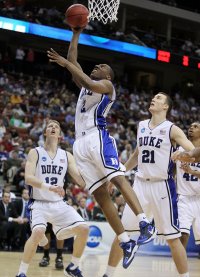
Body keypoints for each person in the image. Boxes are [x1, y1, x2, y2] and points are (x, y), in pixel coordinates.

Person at [47, 28, 157, 269]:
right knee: (99, 195)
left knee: (117, 178)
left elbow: (82, 75)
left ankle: (144, 223)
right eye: (96, 65)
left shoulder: (106, 85)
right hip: (81, 143)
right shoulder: (87, 87)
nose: (96, 66)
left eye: (101, 66)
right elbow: (74, 62)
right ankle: (126, 241)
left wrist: (67, 64)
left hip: (98, 137)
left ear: (108, 75)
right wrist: (75, 33)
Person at [102, 92, 194, 277]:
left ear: (166, 106)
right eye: (154, 97)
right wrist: (120, 173)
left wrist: (182, 154)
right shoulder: (142, 125)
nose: (154, 98)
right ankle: (108, 274)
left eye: (159, 98)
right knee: (123, 232)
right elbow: (137, 154)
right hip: (139, 185)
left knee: (172, 239)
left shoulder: (172, 129)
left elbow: (193, 150)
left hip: (162, 187)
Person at [16, 120, 89, 277]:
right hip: (39, 203)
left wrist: (99, 176)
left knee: (84, 229)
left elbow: (81, 181)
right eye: (50, 126)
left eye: (57, 126)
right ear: (45, 133)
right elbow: (28, 178)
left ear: (60, 135)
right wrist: (49, 187)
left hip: (58, 204)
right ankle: (21, 273)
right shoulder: (35, 152)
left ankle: (74, 267)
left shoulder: (66, 156)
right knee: (38, 233)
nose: (54, 127)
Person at [176, 122, 200, 250]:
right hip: (184, 198)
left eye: (195, 127)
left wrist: (192, 171)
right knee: (183, 234)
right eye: (190, 126)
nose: (191, 127)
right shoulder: (179, 150)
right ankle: (180, 266)